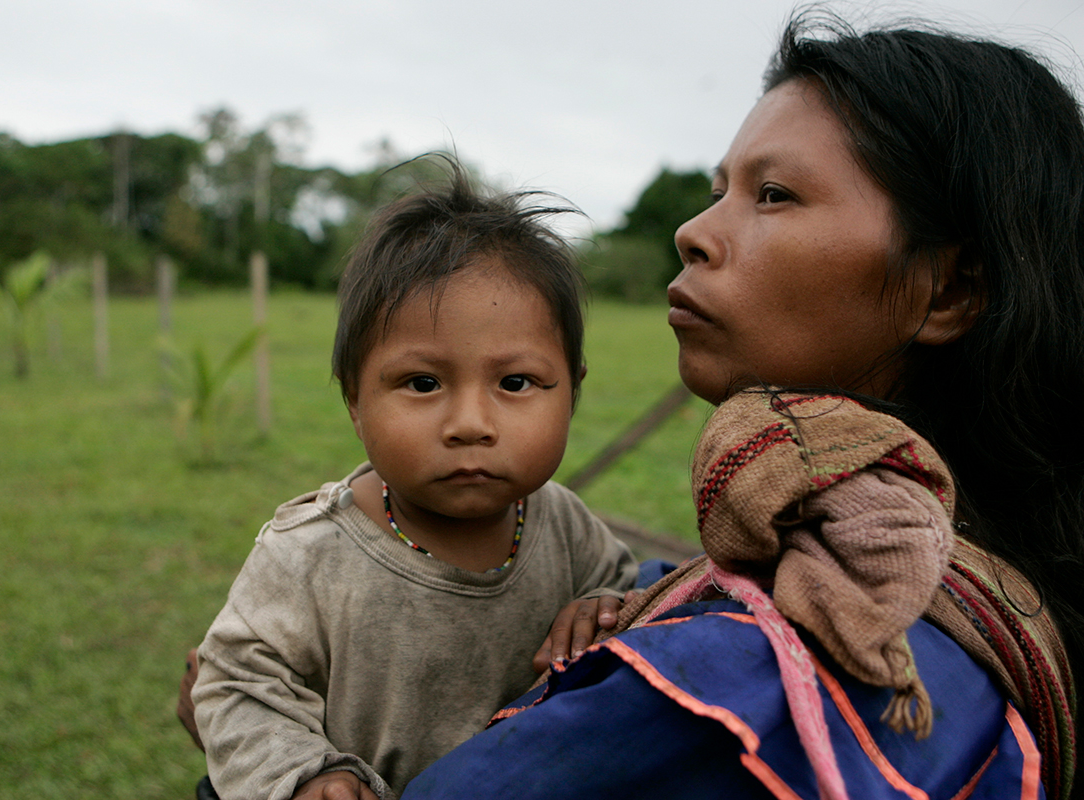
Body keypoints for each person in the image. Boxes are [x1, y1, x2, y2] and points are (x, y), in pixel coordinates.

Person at [402, 12, 1083, 800]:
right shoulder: (1008, 598)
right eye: (717, 191)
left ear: (950, 290)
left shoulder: (763, 678)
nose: (693, 231)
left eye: (774, 194)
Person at [188, 160, 640, 800]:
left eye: (515, 383)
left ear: (572, 392)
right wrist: (305, 774)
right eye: (422, 383)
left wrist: (600, 606)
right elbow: (236, 680)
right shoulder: (308, 555)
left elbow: (621, 587)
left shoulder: (562, 523)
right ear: (354, 400)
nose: (471, 423)